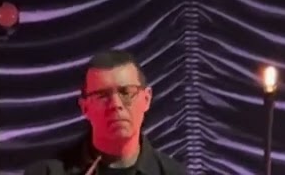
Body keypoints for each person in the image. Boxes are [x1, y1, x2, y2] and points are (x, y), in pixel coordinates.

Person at [23, 49, 186, 174]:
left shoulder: (172, 172)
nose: (115, 104)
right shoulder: (47, 172)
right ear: (84, 107)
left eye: (126, 92)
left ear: (147, 99)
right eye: (102, 96)